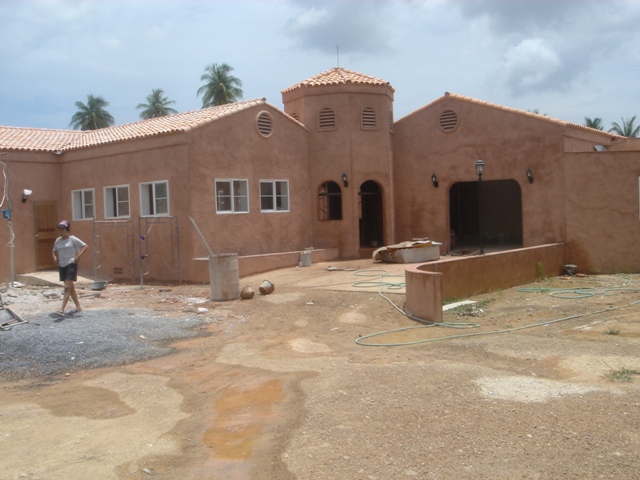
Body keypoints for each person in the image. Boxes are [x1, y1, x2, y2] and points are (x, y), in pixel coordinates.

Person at [52, 220, 88, 316]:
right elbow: (54, 250)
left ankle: (61, 309)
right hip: (62, 265)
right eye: (59, 229)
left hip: (71, 264)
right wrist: (54, 257)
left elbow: (85, 246)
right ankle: (78, 307)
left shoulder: (72, 239)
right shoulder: (58, 241)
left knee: (67, 287)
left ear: (67, 230)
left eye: (62, 229)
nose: (60, 231)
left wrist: (78, 256)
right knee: (71, 288)